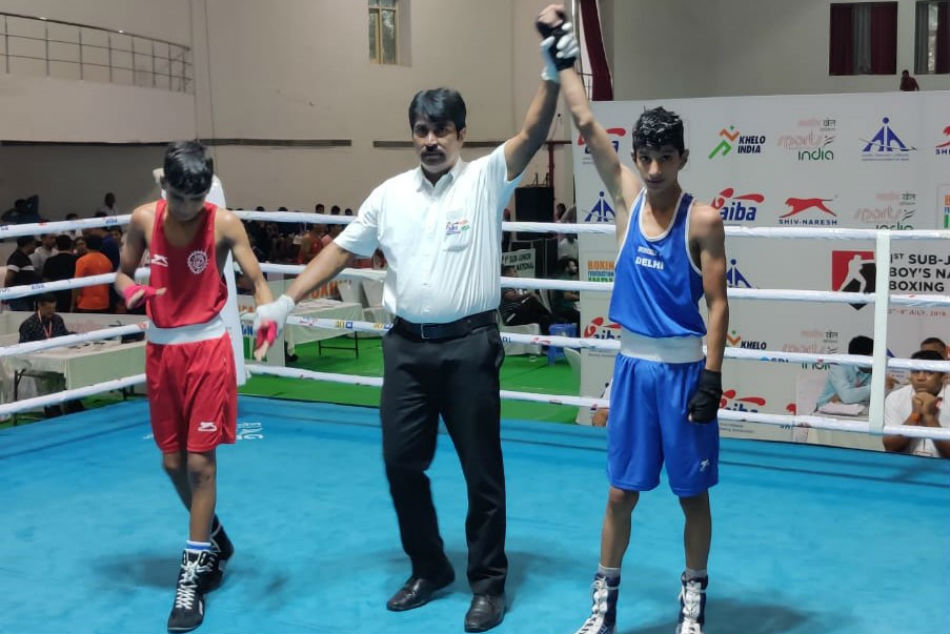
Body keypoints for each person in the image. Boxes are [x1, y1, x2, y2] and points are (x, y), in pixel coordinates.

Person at [252, 9, 570, 631]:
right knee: (401, 464)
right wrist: (286, 303)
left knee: (483, 470)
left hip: (471, 347)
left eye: (442, 130)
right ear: (413, 134)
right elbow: (343, 249)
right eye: (421, 130)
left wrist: (551, 71)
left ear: (461, 133)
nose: (430, 140)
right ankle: (430, 567)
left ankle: (488, 582)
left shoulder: (485, 179)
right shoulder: (388, 194)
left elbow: (533, 133)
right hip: (406, 350)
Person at [556, 21, 729, 634]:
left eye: (665, 157)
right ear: (637, 158)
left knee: (691, 496)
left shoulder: (702, 220)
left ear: (683, 157)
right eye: (646, 157)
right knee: (619, 494)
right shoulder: (628, 204)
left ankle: (693, 604)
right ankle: (603, 609)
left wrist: (712, 377)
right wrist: (563, 58)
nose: (654, 168)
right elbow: (586, 125)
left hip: (684, 374)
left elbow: (718, 303)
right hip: (632, 371)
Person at [114, 141, 273, 633]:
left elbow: (257, 280)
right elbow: (120, 276)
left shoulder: (223, 223)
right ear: (166, 188)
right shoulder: (143, 220)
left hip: (207, 348)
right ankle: (214, 536)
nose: (189, 207)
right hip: (162, 351)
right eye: (181, 198)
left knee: (201, 464)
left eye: (198, 197)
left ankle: (193, 572)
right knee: (172, 464)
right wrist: (133, 291)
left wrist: (267, 312)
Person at [882, 350, 949, 458]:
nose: (920, 378)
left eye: (929, 372)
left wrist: (930, 418)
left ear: (943, 376)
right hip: (907, 464)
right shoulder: (895, 398)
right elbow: (890, 447)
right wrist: (915, 415)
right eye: (915, 371)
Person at [18, 293, 74, 417]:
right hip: (36, 363)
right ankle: (50, 406)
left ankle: (72, 402)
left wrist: (76, 336)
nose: (52, 312)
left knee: (71, 368)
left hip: (57, 359)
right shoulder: (28, 324)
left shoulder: (57, 319)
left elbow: (64, 336)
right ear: (40, 306)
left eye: (54, 308)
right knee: (51, 374)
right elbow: (22, 349)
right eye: (49, 309)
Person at [500, 264, 554, 334]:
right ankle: (553, 318)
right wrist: (529, 294)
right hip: (510, 317)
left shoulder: (516, 287)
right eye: (514, 272)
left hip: (519, 314)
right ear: (507, 274)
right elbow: (513, 297)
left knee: (543, 318)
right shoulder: (504, 286)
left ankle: (547, 341)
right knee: (532, 300)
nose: (517, 274)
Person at [71, 233, 113, 313]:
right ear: (101, 245)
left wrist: (72, 304)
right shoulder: (107, 261)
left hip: (86, 303)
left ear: (86, 245)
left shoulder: (82, 261)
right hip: (104, 302)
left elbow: (76, 285)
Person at [42, 235, 78, 313]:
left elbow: (46, 279)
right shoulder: (77, 260)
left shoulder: (50, 261)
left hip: (55, 295)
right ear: (71, 245)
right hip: (72, 295)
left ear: (57, 246)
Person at [4, 236, 39, 311]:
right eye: (34, 244)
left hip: (26, 297)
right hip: (18, 298)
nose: (35, 247)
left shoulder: (25, 258)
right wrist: (7, 295)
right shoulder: (17, 257)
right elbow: (9, 277)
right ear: (29, 244)